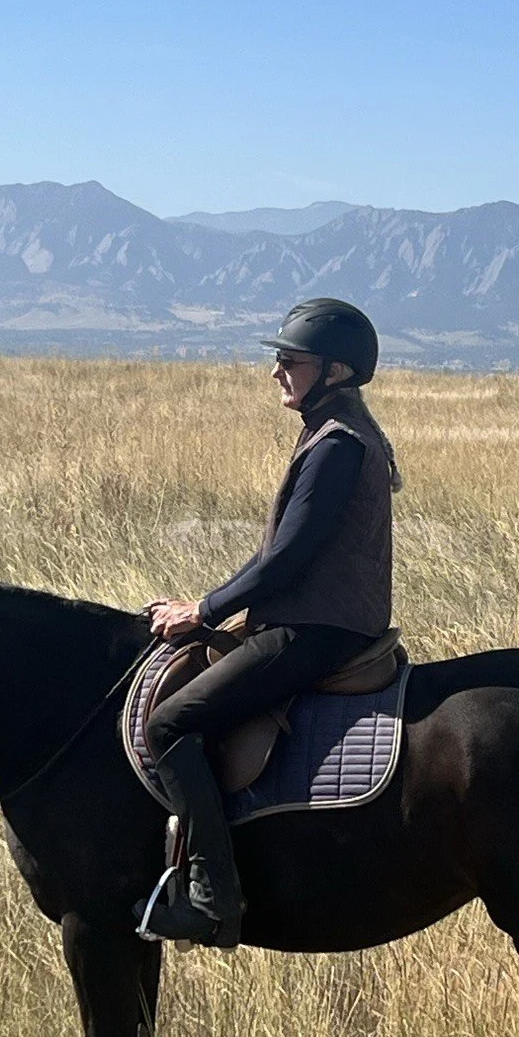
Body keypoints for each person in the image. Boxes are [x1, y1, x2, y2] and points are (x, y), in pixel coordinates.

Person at [139, 297, 401, 947]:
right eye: (279, 358)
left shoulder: (336, 444)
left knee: (170, 723)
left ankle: (211, 899)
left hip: (316, 631)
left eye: (291, 360)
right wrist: (209, 605)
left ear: (334, 371)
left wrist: (202, 610)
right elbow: (275, 557)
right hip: (318, 619)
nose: (277, 370)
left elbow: (286, 561)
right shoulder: (333, 430)